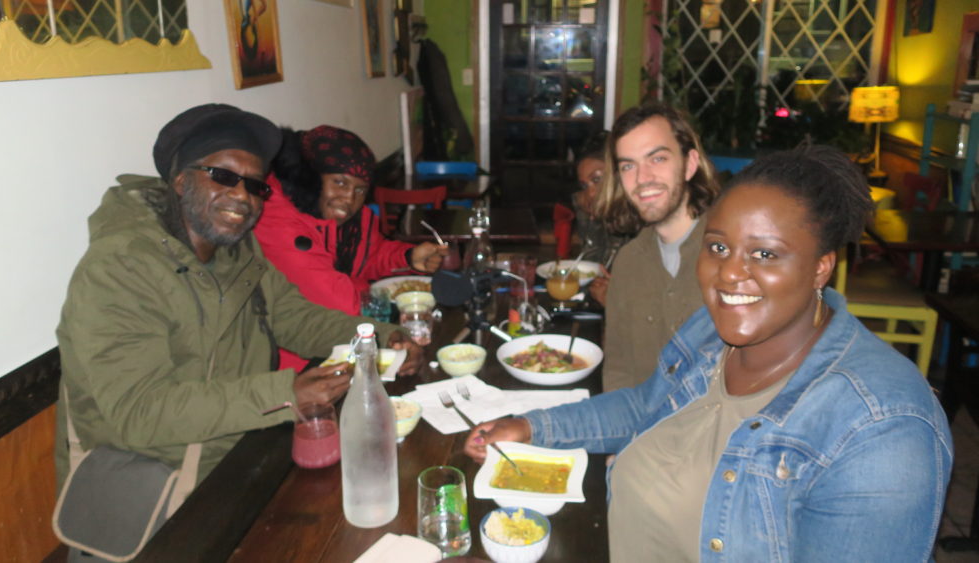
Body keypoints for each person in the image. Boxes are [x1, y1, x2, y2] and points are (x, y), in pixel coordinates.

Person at [465, 145, 953, 562]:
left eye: (764, 254)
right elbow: (645, 406)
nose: (729, 275)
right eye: (718, 248)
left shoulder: (883, 432)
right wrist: (532, 426)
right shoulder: (714, 332)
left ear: (822, 266)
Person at [55, 104, 424, 532]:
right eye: (223, 176)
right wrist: (287, 393)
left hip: (239, 460)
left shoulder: (238, 252)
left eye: (254, 185)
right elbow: (140, 411)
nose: (242, 196)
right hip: (155, 496)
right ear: (179, 180)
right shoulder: (121, 269)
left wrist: (381, 336)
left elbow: (297, 318)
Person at [253, 125, 447, 372]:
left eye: (359, 190)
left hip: (347, 344)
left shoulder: (351, 218)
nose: (349, 199)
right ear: (312, 178)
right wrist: (371, 293)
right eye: (339, 182)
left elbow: (371, 255)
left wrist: (407, 256)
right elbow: (339, 302)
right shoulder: (276, 218)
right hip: (295, 365)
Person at [589, 101, 720, 391]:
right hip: (644, 430)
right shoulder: (628, 262)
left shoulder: (734, 253)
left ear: (690, 164)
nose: (643, 178)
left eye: (657, 159)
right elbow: (619, 373)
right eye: (628, 166)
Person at [570, 131, 630, 305]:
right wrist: (588, 216)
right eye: (584, 185)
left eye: (597, 179)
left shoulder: (644, 224)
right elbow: (593, 265)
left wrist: (614, 299)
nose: (590, 193)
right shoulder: (612, 215)